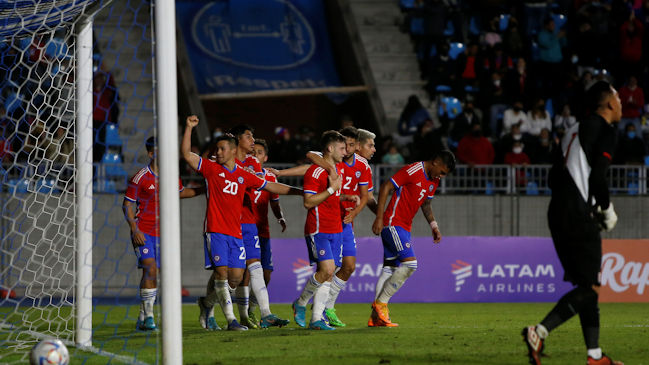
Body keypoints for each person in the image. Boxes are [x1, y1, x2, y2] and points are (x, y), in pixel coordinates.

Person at [522, 81, 624, 365]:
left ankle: (594, 356)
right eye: (618, 97)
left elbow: (552, 178)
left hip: (557, 211)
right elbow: (598, 178)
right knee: (590, 288)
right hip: (578, 213)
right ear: (609, 104)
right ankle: (539, 331)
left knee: (587, 285)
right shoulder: (605, 130)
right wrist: (605, 209)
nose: (621, 103)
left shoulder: (571, 131)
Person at [181, 116, 302, 331]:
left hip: (238, 231)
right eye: (217, 149)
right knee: (221, 273)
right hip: (216, 230)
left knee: (236, 278)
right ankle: (232, 320)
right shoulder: (212, 168)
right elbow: (188, 156)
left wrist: (302, 193)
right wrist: (189, 128)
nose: (217, 153)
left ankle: (207, 303)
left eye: (221, 149)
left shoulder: (244, 173)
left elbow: (271, 187)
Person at [122, 136, 205, 331]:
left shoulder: (171, 174)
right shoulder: (140, 177)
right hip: (144, 231)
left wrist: (204, 189)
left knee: (156, 272)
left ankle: (143, 315)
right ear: (151, 153)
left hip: (165, 234)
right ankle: (150, 316)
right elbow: (127, 204)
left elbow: (180, 192)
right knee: (150, 269)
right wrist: (134, 229)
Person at [369, 150, 455, 327]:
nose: (442, 176)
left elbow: (426, 203)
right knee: (410, 264)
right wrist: (379, 217)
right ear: (436, 162)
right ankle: (380, 304)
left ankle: (376, 317)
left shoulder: (434, 180)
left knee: (390, 269)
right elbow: (386, 186)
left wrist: (434, 225)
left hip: (404, 227)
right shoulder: (414, 170)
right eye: (442, 172)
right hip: (393, 223)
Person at [291, 130, 359, 331]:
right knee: (327, 270)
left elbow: (330, 198)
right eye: (341, 147)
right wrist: (331, 189)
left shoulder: (335, 171)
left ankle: (316, 320)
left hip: (336, 228)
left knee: (329, 274)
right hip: (318, 228)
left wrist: (344, 196)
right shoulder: (315, 172)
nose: (345, 151)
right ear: (330, 148)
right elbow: (308, 202)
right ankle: (301, 303)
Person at [228, 123, 290, 329]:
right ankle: (209, 306)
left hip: (251, 224)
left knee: (256, 269)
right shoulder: (224, 157)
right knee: (228, 275)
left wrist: (297, 193)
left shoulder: (253, 164)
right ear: (237, 140)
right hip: (226, 224)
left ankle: (263, 313)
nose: (253, 142)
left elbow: (265, 187)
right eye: (248, 137)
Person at [321, 126, 370, 327]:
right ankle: (315, 309)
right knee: (327, 270)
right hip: (329, 220)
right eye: (345, 145)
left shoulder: (363, 166)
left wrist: (354, 213)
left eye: (351, 145)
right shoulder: (332, 162)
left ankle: (327, 307)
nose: (347, 148)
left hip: (346, 222)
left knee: (349, 266)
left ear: (356, 145)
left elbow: (365, 195)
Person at [248, 139, 288, 324]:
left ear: (265, 157)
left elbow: (275, 201)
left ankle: (253, 308)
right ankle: (250, 312)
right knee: (240, 274)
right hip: (244, 229)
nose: (255, 154)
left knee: (266, 274)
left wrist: (280, 217)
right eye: (253, 151)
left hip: (262, 230)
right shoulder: (243, 172)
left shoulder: (270, 177)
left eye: (259, 152)